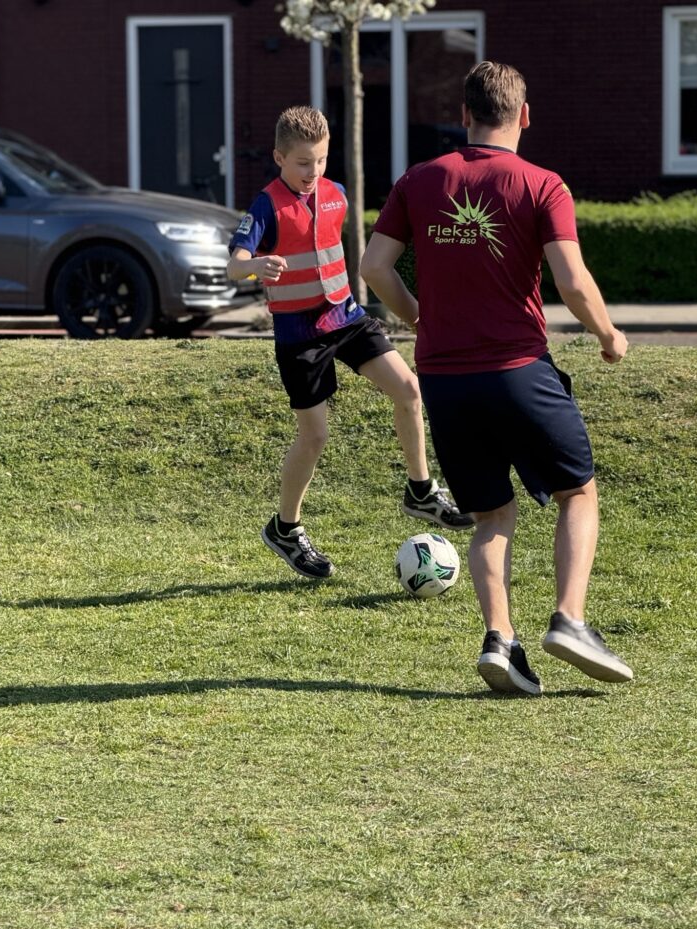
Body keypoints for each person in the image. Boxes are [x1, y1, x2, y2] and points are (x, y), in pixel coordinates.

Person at [360, 61, 633, 695]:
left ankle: (501, 641)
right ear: (525, 116)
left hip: (446, 382)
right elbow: (571, 280)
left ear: (464, 117)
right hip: (516, 371)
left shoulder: (420, 180)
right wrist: (607, 335)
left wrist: (419, 317)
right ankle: (568, 620)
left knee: (491, 516)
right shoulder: (543, 184)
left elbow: (374, 267)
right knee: (578, 494)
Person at [227, 105, 472, 580]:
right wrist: (256, 265)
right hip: (299, 336)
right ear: (278, 157)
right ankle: (285, 528)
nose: (312, 172)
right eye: (302, 162)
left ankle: (421, 492)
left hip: (347, 318)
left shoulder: (336, 194)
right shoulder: (265, 206)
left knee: (409, 390)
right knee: (315, 436)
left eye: (320, 160)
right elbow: (234, 263)